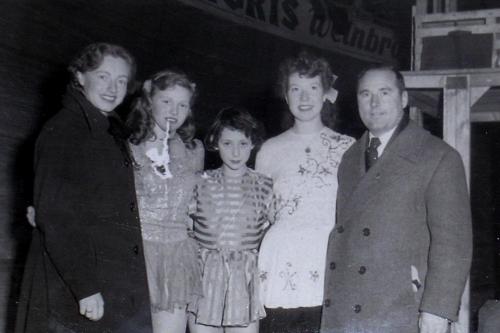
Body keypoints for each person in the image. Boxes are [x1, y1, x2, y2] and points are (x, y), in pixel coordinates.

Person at [320, 65, 473, 333]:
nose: (374, 103)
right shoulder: (350, 159)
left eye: (384, 92)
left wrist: (436, 310)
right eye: (365, 94)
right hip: (348, 312)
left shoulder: (438, 156)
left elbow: (454, 244)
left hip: (402, 309)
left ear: (403, 99)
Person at [15, 43, 152, 333]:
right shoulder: (65, 130)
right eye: (103, 76)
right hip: (76, 283)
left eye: (121, 80)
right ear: (80, 76)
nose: (112, 88)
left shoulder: (107, 129)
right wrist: (85, 287)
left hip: (108, 278)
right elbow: (57, 217)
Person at [256, 51, 354, 333]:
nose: (304, 97)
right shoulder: (269, 150)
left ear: (326, 93)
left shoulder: (348, 147)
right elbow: (261, 216)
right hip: (279, 264)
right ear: (285, 96)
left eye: (313, 88)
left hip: (328, 263)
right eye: (295, 89)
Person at [126, 69, 204, 333]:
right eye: (166, 101)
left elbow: (197, 208)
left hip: (177, 258)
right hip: (137, 254)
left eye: (183, 104)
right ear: (149, 100)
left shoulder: (194, 150)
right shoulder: (128, 145)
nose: (174, 110)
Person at [188, 107, 273, 333]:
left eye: (243, 144)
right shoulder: (199, 182)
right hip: (205, 282)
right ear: (215, 142)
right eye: (227, 143)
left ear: (253, 143)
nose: (235, 152)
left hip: (243, 284)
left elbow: (271, 233)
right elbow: (186, 229)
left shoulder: (265, 186)